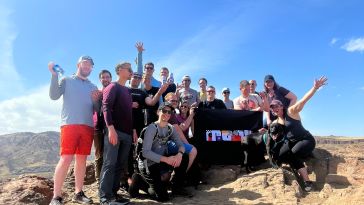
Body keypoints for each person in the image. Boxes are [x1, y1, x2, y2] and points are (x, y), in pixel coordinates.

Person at [48, 56, 99, 205]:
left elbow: (96, 110)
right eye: (85, 63)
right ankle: (56, 197)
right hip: (69, 125)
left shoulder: (93, 86)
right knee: (66, 158)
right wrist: (54, 75)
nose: (87, 67)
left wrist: (97, 101)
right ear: (78, 64)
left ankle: (79, 193)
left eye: (90, 65)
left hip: (88, 126)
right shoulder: (66, 80)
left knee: (82, 159)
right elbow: (53, 96)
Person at [268, 76, 328, 192]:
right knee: (281, 155)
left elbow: (303, 100)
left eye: (276, 106)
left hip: (306, 140)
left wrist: (314, 88)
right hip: (293, 142)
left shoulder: (291, 112)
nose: (274, 109)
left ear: (281, 106)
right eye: (272, 108)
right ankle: (296, 168)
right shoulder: (276, 122)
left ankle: (307, 181)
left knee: (293, 154)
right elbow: (271, 132)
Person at [128, 102, 191, 202]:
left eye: (169, 112)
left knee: (185, 157)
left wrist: (180, 154)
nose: (167, 114)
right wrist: (167, 159)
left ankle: (177, 188)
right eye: (164, 111)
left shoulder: (171, 128)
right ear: (158, 112)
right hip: (148, 164)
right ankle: (139, 180)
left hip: (160, 161)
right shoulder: (151, 129)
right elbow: (146, 153)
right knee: (162, 197)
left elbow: (181, 145)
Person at [99, 62, 133, 205]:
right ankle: (105, 198)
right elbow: (106, 107)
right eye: (128, 69)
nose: (131, 71)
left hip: (127, 134)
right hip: (114, 131)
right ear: (119, 70)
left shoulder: (127, 91)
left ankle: (113, 194)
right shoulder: (112, 86)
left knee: (120, 165)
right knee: (109, 163)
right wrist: (111, 129)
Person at [165, 92, 197, 172]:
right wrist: (191, 115)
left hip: (177, 141)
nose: (183, 107)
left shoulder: (172, 113)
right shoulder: (174, 115)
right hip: (168, 142)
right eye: (182, 106)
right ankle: (185, 174)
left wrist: (191, 118)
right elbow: (180, 129)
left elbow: (192, 132)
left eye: (186, 106)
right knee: (193, 150)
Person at [93, 69, 112, 184]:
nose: (105, 79)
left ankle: (109, 179)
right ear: (100, 79)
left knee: (110, 154)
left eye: (107, 77)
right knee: (99, 154)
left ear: (111, 78)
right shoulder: (97, 94)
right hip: (98, 127)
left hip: (110, 127)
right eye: (103, 77)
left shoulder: (113, 92)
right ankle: (99, 180)